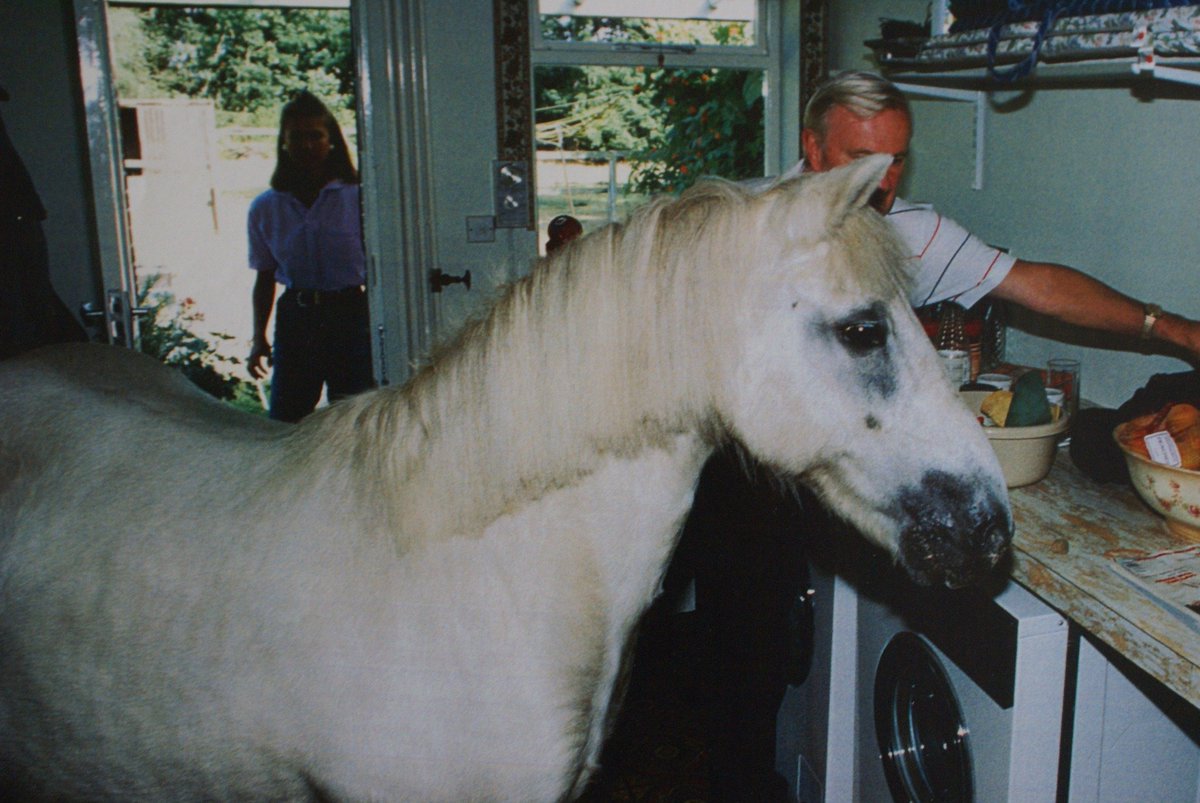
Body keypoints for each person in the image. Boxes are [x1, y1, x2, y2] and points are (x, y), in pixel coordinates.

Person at [800, 70, 1200, 359]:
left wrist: (1175, 330)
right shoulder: (746, 221)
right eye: (862, 159)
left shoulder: (915, 236)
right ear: (815, 150)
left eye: (896, 160)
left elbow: (1042, 288)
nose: (883, 181)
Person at [247, 90, 373, 422]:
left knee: (353, 421)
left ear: (331, 140)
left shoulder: (359, 199)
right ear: (283, 143)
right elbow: (264, 276)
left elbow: (379, 270)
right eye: (297, 137)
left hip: (351, 316)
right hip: (298, 320)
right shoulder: (266, 207)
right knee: (288, 422)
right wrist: (258, 338)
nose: (306, 145)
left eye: (315, 136)